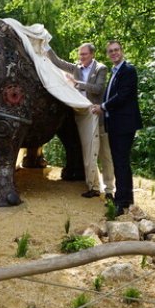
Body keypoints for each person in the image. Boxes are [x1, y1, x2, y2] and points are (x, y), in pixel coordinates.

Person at [48, 43, 115, 199]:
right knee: (88, 152)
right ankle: (94, 186)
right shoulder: (77, 68)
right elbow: (58, 62)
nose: (81, 57)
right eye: (80, 55)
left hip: (99, 116)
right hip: (83, 116)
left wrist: (77, 84)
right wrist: (45, 46)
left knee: (105, 154)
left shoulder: (101, 68)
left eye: (84, 54)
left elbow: (98, 89)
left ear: (92, 54)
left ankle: (110, 189)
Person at [94, 40, 143, 215]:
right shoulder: (115, 72)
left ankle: (121, 203)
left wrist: (103, 107)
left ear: (122, 51)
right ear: (107, 55)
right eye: (110, 51)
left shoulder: (128, 70)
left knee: (121, 163)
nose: (114, 53)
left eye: (116, 50)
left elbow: (122, 96)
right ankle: (125, 198)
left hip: (124, 124)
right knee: (120, 162)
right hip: (116, 124)